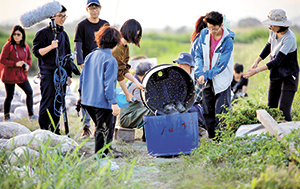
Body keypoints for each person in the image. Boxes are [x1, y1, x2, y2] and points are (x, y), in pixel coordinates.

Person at [243, 9, 299, 121]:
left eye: (272, 24)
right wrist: (257, 61)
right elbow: (268, 46)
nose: (270, 27)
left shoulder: (290, 38)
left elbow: (277, 60)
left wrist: (257, 71)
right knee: (271, 107)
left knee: (283, 110)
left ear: (280, 25)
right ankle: (272, 134)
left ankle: (288, 135)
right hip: (276, 74)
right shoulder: (273, 31)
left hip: (289, 76)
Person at [79, 25, 121, 157]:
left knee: (102, 128)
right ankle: (101, 159)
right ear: (115, 42)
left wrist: (81, 96)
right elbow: (109, 85)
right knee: (102, 131)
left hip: (88, 101)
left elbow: (82, 79)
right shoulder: (110, 60)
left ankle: (106, 153)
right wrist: (113, 103)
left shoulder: (90, 56)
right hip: (102, 103)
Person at [194, 11, 235, 139]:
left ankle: (221, 140)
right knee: (207, 110)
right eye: (210, 28)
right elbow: (198, 55)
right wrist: (200, 72)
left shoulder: (227, 40)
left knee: (221, 111)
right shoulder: (204, 34)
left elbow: (222, 65)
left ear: (221, 25)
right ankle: (212, 138)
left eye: (215, 29)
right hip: (207, 78)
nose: (212, 32)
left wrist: (205, 75)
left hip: (221, 78)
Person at [32, 5, 72, 134]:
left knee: (58, 102)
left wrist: (69, 75)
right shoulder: (42, 33)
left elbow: (67, 56)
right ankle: (44, 130)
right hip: (48, 73)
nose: (62, 19)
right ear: (52, 16)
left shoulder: (64, 35)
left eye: (64, 16)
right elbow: (37, 52)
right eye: (60, 16)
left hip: (61, 74)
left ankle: (55, 130)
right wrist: (51, 47)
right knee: (48, 101)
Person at [74, 0, 109, 139]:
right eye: (91, 8)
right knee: (85, 95)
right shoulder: (82, 25)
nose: (94, 10)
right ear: (87, 9)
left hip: (102, 64)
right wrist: (81, 63)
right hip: (88, 65)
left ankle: (98, 126)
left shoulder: (105, 24)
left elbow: (109, 43)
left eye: (96, 8)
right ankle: (85, 127)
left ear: (100, 8)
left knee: (101, 94)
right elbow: (78, 44)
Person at [0, 25, 38, 121]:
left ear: (22, 36)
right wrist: (15, 64)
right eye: (14, 34)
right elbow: (2, 59)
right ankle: (6, 117)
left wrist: (28, 65)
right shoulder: (8, 46)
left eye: (18, 34)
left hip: (21, 76)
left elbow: (29, 58)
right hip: (10, 75)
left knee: (29, 92)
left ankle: (31, 115)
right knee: (9, 96)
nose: (16, 36)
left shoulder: (25, 46)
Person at [117, 61, 152, 142]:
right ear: (146, 72)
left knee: (149, 109)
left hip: (131, 114)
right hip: (126, 118)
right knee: (152, 110)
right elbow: (146, 102)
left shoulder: (137, 81)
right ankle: (147, 137)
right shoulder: (134, 85)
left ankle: (146, 137)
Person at [173, 52, 205, 135]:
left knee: (188, 110)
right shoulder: (175, 77)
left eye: (182, 64)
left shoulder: (198, 78)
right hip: (180, 105)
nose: (179, 66)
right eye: (178, 63)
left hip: (196, 106)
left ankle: (196, 131)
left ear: (189, 65)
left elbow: (197, 98)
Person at [190, 16, 207, 105]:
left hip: (196, 72)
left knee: (198, 101)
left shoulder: (196, 37)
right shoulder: (202, 38)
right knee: (201, 101)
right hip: (201, 73)